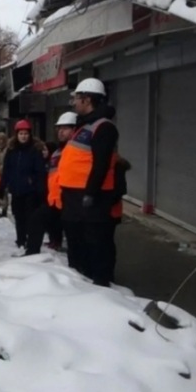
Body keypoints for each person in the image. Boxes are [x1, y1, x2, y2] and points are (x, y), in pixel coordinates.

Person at [58, 78, 119, 286]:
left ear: (87, 99)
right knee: (77, 241)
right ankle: (80, 281)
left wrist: (91, 193)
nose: (74, 103)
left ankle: (100, 284)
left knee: (96, 242)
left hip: (91, 197)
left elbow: (101, 164)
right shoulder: (84, 125)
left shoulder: (104, 127)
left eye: (76, 98)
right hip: (74, 196)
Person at [25, 112, 76, 256]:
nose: (60, 132)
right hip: (54, 200)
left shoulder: (75, 151)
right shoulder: (57, 152)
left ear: (74, 130)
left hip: (70, 201)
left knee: (75, 236)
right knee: (36, 219)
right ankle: (31, 253)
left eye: (65, 128)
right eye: (59, 128)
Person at [0, 119, 48, 249]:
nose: (23, 136)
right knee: (18, 215)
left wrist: (38, 187)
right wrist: (2, 186)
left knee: (30, 216)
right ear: (17, 135)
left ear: (30, 134)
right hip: (16, 189)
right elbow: (6, 169)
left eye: (26, 133)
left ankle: (30, 239)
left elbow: (40, 171)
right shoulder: (11, 150)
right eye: (21, 134)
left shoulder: (35, 149)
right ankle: (20, 239)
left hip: (30, 190)